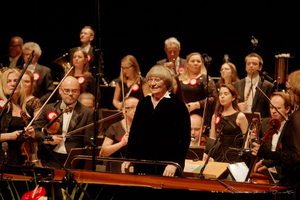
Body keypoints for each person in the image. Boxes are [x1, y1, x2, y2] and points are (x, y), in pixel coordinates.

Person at [122, 65, 190, 177]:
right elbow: (134, 133)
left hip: (167, 166)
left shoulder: (178, 105)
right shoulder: (143, 103)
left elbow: (184, 139)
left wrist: (175, 163)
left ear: (167, 83)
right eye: (150, 80)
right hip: (142, 164)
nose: (153, 84)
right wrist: (129, 158)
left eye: (157, 80)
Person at [252, 70, 300, 199]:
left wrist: (267, 154)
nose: (288, 91)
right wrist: (270, 162)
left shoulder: (297, 117)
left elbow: (296, 157)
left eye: (289, 88)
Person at [33, 76, 94, 169]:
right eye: (67, 90)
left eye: (74, 91)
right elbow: (34, 130)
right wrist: (48, 138)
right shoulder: (49, 108)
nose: (70, 94)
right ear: (60, 90)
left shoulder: (88, 113)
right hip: (50, 158)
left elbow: (88, 142)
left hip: (74, 160)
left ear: (79, 92)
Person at [0, 69, 35, 165]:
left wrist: (31, 133)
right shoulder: (1, 106)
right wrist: (11, 136)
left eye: (16, 81)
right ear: (3, 85)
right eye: (8, 81)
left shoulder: (24, 107)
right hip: (3, 158)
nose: (12, 84)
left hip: (20, 157)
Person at [254, 92, 290, 181]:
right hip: (265, 174)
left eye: (278, 108)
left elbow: (288, 157)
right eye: (271, 108)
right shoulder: (265, 123)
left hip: (284, 176)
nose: (273, 111)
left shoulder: (291, 127)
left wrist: (268, 163)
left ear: (287, 109)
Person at [178, 52, 217, 132]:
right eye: (193, 61)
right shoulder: (179, 79)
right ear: (187, 64)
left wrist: (196, 105)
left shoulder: (205, 79)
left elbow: (214, 98)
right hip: (182, 114)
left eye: (198, 61)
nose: (196, 63)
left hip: (200, 115)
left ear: (202, 64)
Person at [210, 84, 248, 163]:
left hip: (234, 155)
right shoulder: (215, 116)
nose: (222, 96)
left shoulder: (240, 116)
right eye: (220, 94)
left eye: (225, 94)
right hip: (219, 155)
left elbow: (246, 137)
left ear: (233, 97)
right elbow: (212, 137)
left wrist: (243, 153)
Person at [100, 97, 139, 172]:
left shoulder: (145, 127)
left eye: (138, 107)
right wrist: (122, 143)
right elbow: (103, 152)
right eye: (131, 107)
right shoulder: (115, 127)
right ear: (124, 110)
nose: (135, 110)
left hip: (137, 167)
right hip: (116, 167)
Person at [233, 53, 274, 118]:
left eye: (254, 64)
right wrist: (237, 106)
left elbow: (269, 109)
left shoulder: (268, 86)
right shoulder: (236, 85)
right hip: (240, 120)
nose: (251, 66)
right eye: (248, 64)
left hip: (259, 122)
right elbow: (231, 104)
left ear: (260, 67)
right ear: (245, 67)